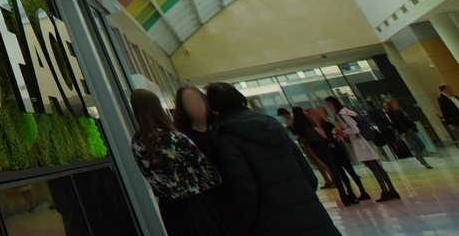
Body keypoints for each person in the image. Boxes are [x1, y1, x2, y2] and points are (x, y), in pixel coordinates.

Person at [208, 83, 339, 236]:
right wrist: (305, 193)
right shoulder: (270, 123)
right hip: (306, 203)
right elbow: (304, 166)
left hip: (271, 215)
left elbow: (243, 183)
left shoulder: (226, 135)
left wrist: (245, 220)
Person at [130, 89, 236, 236]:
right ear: (157, 107)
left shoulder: (137, 143)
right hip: (197, 204)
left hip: (169, 209)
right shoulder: (175, 138)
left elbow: (147, 174)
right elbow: (210, 173)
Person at [174, 84, 246, 232]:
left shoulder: (221, 121)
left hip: (237, 185)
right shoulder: (180, 132)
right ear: (182, 106)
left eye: (196, 98)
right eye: (188, 100)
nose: (194, 103)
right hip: (211, 194)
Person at [326, 96, 398, 202]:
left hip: (360, 143)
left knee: (374, 167)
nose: (328, 107)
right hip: (365, 141)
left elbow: (355, 129)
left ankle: (386, 191)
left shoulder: (342, 114)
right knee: (377, 167)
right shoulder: (347, 112)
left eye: (328, 104)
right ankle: (391, 190)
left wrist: (342, 132)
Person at [311, 105, 368, 204]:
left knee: (347, 171)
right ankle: (351, 192)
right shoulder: (322, 125)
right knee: (343, 172)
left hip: (336, 150)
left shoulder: (325, 124)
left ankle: (358, 191)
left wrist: (336, 139)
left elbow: (337, 134)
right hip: (334, 150)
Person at [285, 108, 335, 191]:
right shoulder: (305, 121)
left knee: (320, 163)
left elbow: (299, 134)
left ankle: (331, 180)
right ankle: (330, 180)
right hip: (311, 144)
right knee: (319, 163)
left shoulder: (301, 122)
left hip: (310, 144)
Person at [383, 98, 433, 169]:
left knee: (422, 145)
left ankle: (419, 156)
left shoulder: (399, 111)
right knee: (415, 146)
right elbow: (395, 123)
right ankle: (424, 162)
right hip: (405, 131)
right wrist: (401, 132)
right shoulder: (390, 113)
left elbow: (406, 120)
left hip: (410, 129)